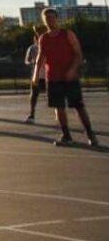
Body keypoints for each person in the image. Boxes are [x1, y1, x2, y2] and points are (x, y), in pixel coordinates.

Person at [35, 8, 99, 148]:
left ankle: (90, 134)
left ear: (57, 18)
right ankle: (66, 135)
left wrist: (72, 69)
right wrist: (35, 74)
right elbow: (40, 57)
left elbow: (78, 54)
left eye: (52, 17)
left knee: (78, 106)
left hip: (70, 77)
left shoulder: (67, 34)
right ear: (43, 20)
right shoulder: (43, 38)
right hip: (53, 77)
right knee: (58, 107)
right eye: (47, 18)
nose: (49, 20)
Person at [23, 25, 46, 123]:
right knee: (34, 95)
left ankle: (58, 114)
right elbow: (27, 60)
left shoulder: (50, 45)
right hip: (37, 75)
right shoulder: (32, 48)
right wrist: (32, 62)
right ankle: (32, 115)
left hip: (49, 74)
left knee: (54, 96)